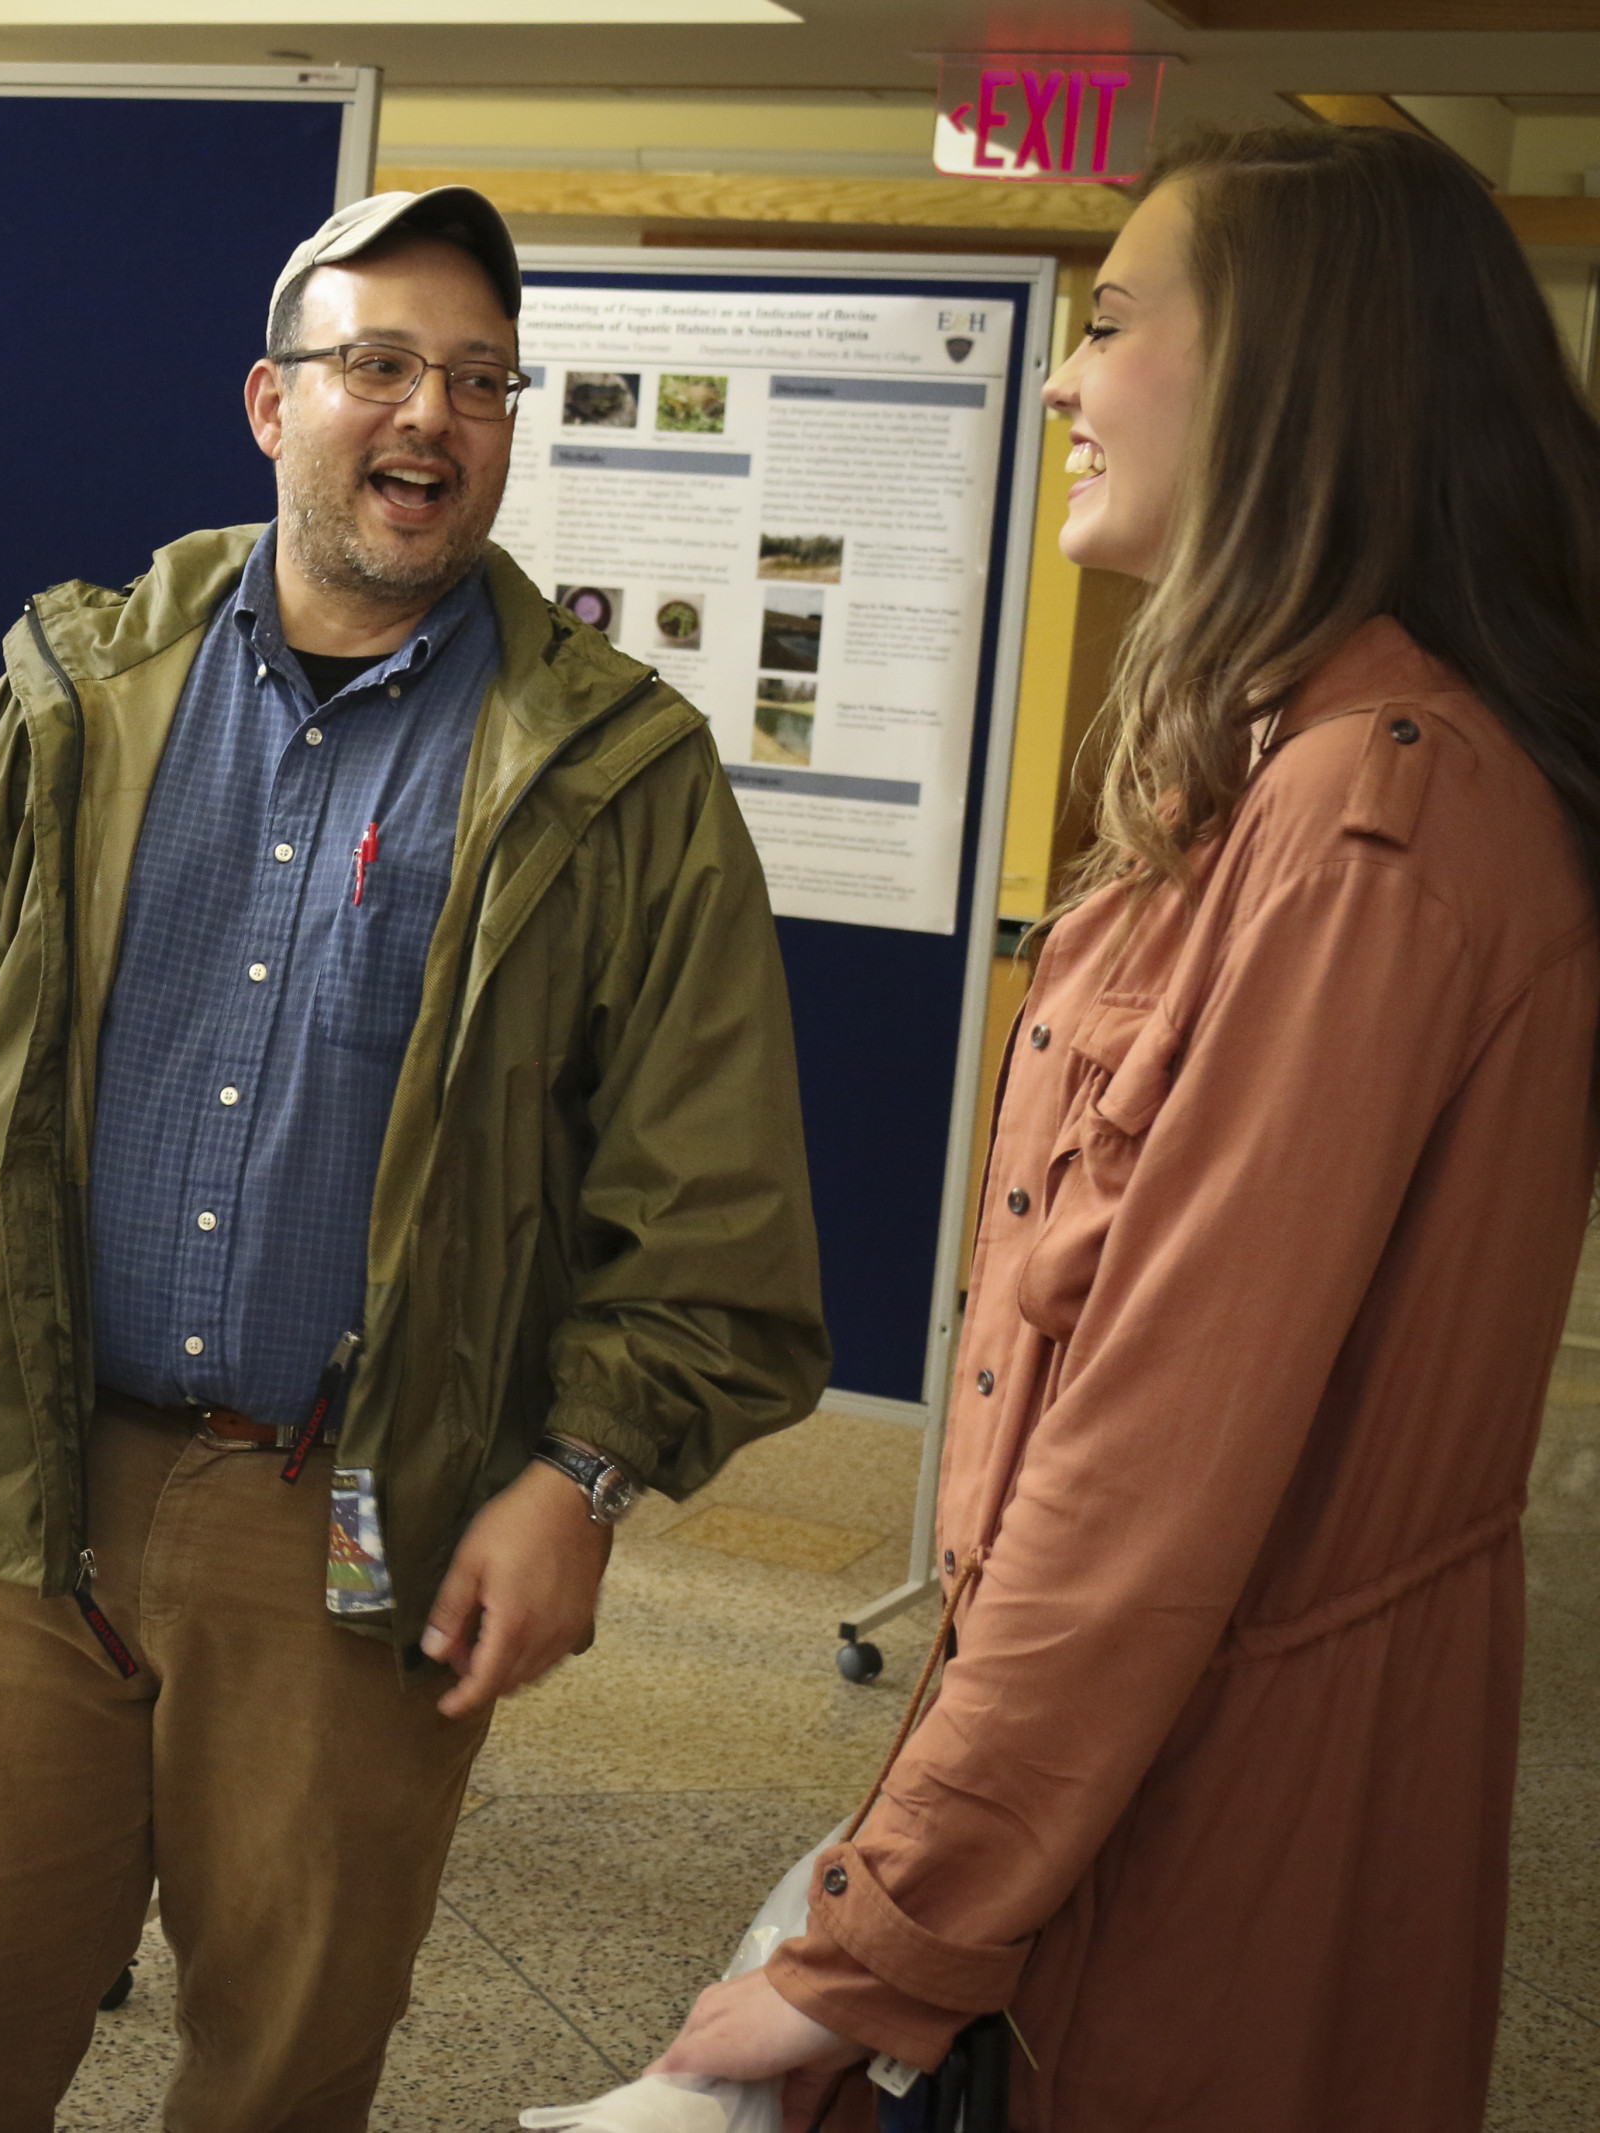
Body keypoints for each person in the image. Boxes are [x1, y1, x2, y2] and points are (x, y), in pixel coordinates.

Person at [0, 188, 829, 2130]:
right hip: (34, 1479)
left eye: (479, 379)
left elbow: (713, 1218)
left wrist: (582, 1472)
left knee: (284, 2059)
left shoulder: (607, 773)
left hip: (354, 1515)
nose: (429, 419)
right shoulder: (73, 703)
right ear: (268, 400)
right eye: (376, 363)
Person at [655, 124, 1600, 2131]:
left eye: (1109, 324)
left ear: (1285, 370)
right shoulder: (1303, 777)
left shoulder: (1375, 821)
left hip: (1197, 1818)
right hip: (1128, 1772)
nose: (1065, 383)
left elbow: (1148, 1472)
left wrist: (872, 1938)